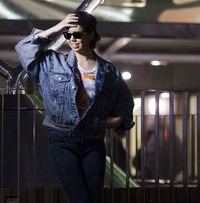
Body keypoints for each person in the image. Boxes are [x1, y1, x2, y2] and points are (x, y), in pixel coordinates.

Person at [15, 11, 134, 203]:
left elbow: (125, 102)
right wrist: (58, 26)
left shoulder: (108, 70)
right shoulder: (52, 62)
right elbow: (23, 48)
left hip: (93, 141)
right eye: (67, 35)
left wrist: (117, 121)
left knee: (94, 198)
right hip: (62, 139)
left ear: (91, 35)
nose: (72, 39)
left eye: (77, 34)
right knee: (79, 197)